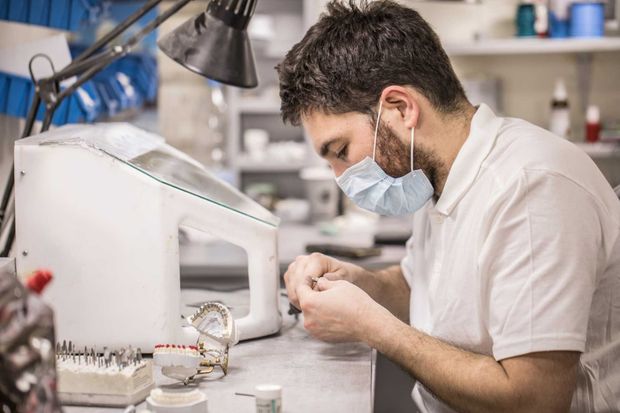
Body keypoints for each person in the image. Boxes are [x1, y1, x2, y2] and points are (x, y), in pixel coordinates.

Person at [276, 1, 620, 412]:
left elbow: (534, 401)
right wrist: (355, 283)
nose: (339, 175)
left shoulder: (531, 187)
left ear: (401, 109)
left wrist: (373, 327)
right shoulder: (435, 174)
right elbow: (418, 287)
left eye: (341, 150)